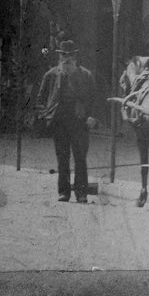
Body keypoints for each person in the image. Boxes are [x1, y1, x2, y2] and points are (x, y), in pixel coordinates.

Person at [36, 39, 99, 203]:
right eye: (63, 55)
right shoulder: (50, 75)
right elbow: (40, 99)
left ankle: (81, 193)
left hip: (79, 122)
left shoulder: (86, 75)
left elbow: (95, 99)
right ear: (59, 56)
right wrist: (46, 114)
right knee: (62, 159)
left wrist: (92, 116)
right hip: (59, 122)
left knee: (80, 158)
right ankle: (64, 192)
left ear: (75, 56)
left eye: (70, 55)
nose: (67, 59)